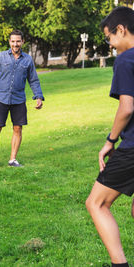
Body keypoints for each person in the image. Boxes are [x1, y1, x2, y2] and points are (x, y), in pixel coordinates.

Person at [85, 6, 134, 267]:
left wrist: (110, 141)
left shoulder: (127, 60)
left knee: (96, 203)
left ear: (122, 30)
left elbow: (127, 107)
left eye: (109, 37)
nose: (111, 45)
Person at [0, 29, 44, 170]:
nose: (15, 44)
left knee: (18, 128)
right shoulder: (0, 57)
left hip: (19, 99)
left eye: (18, 41)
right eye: (13, 41)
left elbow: (33, 80)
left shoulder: (28, 60)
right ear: (9, 42)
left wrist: (39, 96)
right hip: (1, 98)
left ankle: (12, 159)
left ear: (22, 42)